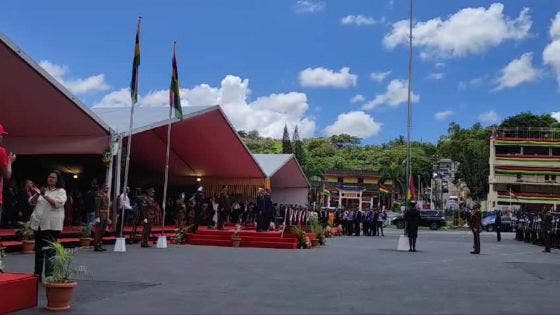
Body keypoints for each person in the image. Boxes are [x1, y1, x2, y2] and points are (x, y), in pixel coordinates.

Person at [29, 170, 67, 281]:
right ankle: (37, 275)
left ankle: (49, 276)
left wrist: (44, 195)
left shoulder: (61, 191)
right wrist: (37, 194)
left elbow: (57, 204)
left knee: (50, 251)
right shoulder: (42, 190)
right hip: (39, 225)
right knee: (39, 251)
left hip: (52, 226)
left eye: (53, 178)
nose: (50, 179)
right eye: (49, 177)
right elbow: (31, 202)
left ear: (58, 180)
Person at [0, 124, 16, 227]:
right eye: (1, 134)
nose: (2, 137)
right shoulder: (1, 151)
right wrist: (10, 161)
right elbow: (7, 175)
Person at [93, 184, 111, 252]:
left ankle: (100, 244)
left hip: (105, 215)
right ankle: (96, 245)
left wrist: (108, 217)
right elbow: (97, 207)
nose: (107, 189)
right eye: (106, 188)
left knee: (103, 231)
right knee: (98, 231)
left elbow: (107, 208)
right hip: (100, 214)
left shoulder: (106, 197)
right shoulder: (99, 196)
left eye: (107, 188)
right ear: (102, 188)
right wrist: (97, 217)